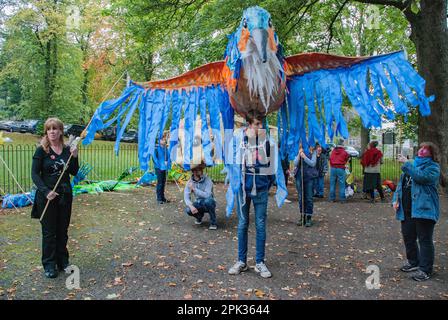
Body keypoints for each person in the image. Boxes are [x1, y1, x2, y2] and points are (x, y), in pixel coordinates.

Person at [31, 118, 79, 279]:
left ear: (60, 131)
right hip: (47, 197)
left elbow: (73, 172)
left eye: (55, 129)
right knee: (49, 232)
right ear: (46, 132)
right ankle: (49, 264)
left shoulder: (67, 150)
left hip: (65, 195)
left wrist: (75, 156)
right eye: (49, 129)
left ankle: (62, 261)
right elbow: (34, 174)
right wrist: (45, 191)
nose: (52, 131)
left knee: (62, 230)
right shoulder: (41, 151)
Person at [228, 112, 275, 278]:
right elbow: (231, 162)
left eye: (261, 124)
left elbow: (272, 165)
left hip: (261, 190)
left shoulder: (267, 142)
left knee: (260, 225)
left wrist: (266, 184)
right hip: (243, 189)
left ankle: (260, 262)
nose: (260, 127)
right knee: (242, 224)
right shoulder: (239, 141)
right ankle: (241, 261)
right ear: (249, 125)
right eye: (257, 124)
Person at [393, 142, 440, 281]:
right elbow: (401, 185)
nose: (422, 150)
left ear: (432, 153)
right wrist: (395, 199)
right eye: (421, 148)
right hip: (407, 209)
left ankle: (426, 270)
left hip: (424, 209)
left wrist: (407, 164)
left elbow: (421, 177)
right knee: (408, 237)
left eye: (426, 149)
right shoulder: (413, 165)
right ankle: (414, 262)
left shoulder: (433, 167)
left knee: (425, 240)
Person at [184, 162, 217, 230]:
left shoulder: (208, 180)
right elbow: (186, 197)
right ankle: (199, 217)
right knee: (188, 210)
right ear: (193, 172)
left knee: (209, 201)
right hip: (198, 202)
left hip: (208, 202)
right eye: (198, 170)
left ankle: (213, 222)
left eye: (201, 169)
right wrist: (191, 206)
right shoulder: (189, 183)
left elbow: (207, 195)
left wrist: (194, 189)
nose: (201, 171)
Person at [294, 144, 318, 227]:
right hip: (299, 177)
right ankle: (302, 215)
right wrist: (299, 155)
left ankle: (308, 216)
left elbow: (313, 163)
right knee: (301, 197)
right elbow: (295, 163)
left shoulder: (313, 151)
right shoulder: (299, 150)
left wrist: (304, 157)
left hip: (309, 177)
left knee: (309, 197)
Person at [329, 138, 350, 203]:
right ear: (342, 144)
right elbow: (347, 159)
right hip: (341, 168)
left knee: (332, 184)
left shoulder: (333, 151)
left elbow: (330, 159)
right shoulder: (345, 152)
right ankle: (342, 199)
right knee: (342, 184)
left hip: (333, 168)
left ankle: (332, 199)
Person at [155, 132, 170, 204]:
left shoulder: (166, 148)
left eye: (165, 139)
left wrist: (167, 161)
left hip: (165, 167)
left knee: (163, 182)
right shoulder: (157, 148)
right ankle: (159, 198)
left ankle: (163, 197)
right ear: (159, 140)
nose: (164, 140)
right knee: (160, 183)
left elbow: (168, 156)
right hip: (159, 168)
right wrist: (160, 164)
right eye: (163, 139)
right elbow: (154, 158)